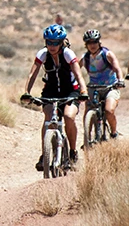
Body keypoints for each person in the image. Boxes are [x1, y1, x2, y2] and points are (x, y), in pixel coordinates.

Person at [20, 24, 88, 170]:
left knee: (69, 117)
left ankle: (72, 152)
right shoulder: (43, 54)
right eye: (49, 42)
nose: (52, 46)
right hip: (51, 90)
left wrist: (83, 91)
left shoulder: (68, 54)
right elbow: (32, 74)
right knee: (48, 118)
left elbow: (78, 74)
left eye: (56, 42)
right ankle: (45, 154)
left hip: (70, 90)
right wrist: (27, 92)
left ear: (62, 42)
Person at [80, 29, 125, 140]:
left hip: (110, 87)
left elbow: (117, 68)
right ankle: (87, 138)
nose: (92, 45)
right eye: (89, 43)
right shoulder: (84, 58)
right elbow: (75, 71)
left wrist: (120, 80)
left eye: (94, 42)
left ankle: (114, 133)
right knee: (88, 112)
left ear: (99, 42)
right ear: (86, 45)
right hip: (93, 87)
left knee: (109, 111)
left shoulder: (107, 54)